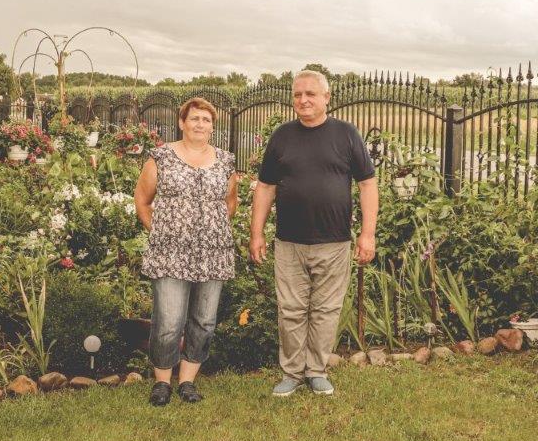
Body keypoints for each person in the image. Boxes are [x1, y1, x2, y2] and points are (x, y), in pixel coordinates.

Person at [249, 70, 378, 397]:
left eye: (310, 94)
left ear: (326, 98)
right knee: (290, 310)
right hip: (289, 242)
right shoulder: (282, 136)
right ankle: (292, 373)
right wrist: (256, 233)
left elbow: (367, 184)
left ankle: (317, 370)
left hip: (334, 242)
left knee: (326, 310)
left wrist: (367, 234)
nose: (303, 100)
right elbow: (265, 187)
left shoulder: (346, 134)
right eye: (297, 95)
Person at [134, 97, 238, 406]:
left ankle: (188, 381)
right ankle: (162, 383)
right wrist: (162, 232)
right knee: (168, 321)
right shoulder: (161, 157)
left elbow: (230, 202)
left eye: (206, 120)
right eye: (194, 118)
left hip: (213, 254)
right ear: (182, 123)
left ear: (212, 126)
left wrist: (210, 230)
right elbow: (142, 201)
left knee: (204, 320)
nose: (200, 124)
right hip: (170, 254)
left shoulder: (225, 161)